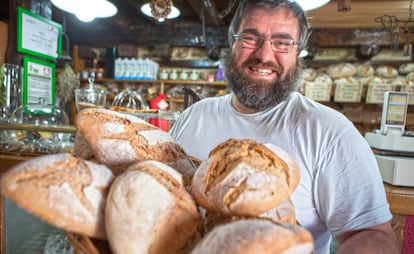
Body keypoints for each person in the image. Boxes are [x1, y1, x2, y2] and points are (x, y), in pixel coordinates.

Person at [169, 0, 400, 253]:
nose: (264, 55)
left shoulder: (329, 131)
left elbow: (374, 236)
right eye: (250, 38)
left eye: (282, 42)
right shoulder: (193, 116)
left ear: (298, 51)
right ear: (232, 43)